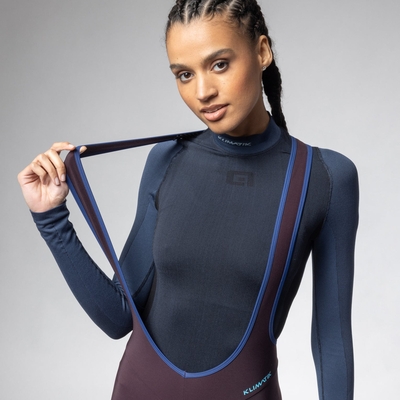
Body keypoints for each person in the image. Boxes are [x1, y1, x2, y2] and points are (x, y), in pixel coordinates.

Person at [17, 1, 358, 399]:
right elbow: (118, 317)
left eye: (219, 64)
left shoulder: (324, 178)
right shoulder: (167, 160)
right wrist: (50, 217)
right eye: (184, 74)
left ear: (262, 52)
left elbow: (332, 339)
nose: (202, 92)